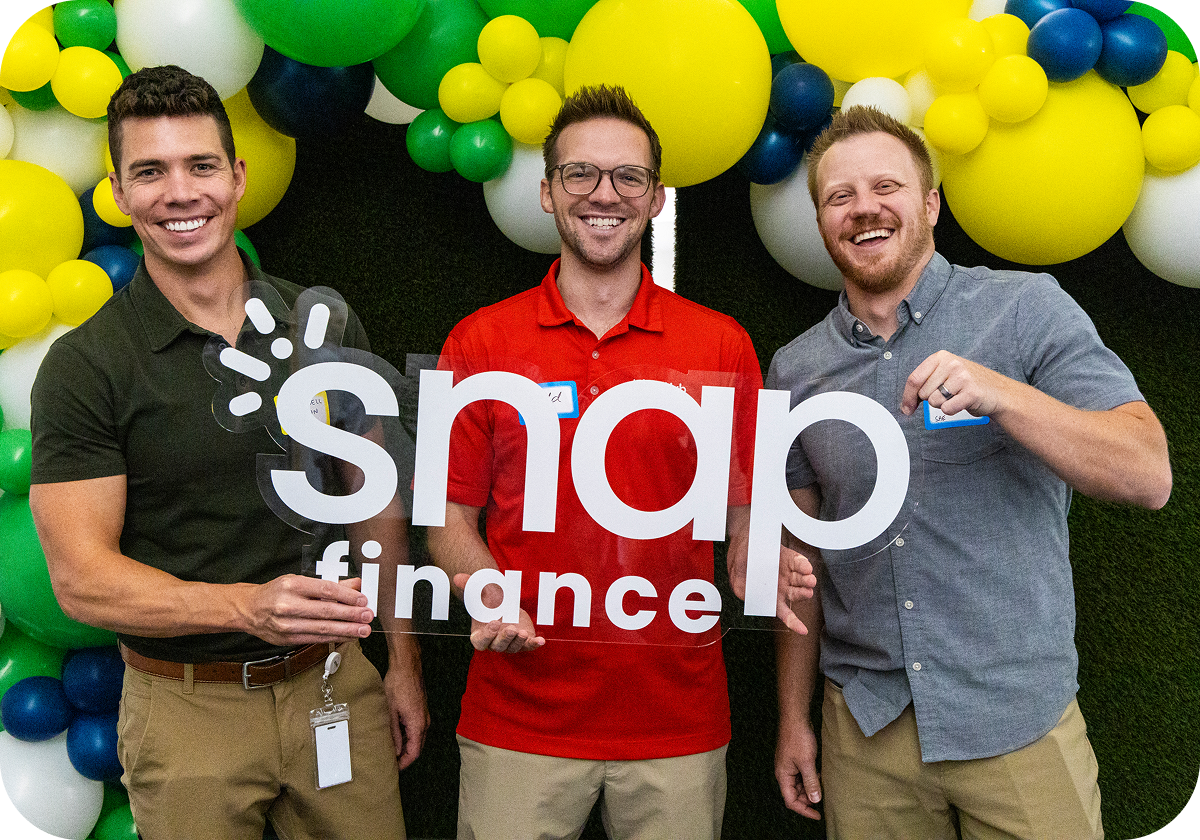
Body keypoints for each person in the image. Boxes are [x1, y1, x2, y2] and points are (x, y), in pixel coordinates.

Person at [28, 65, 427, 840]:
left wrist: (402, 663)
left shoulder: (321, 324)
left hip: (335, 687)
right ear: (118, 192)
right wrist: (247, 607)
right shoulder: (87, 366)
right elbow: (81, 582)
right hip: (188, 711)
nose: (181, 193)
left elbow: (373, 497)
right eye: (151, 172)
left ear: (237, 177)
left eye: (201, 165)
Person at [769, 105, 1173, 839]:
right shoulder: (795, 370)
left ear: (930, 204)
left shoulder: (1025, 309)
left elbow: (1148, 475)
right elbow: (799, 561)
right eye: (840, 196)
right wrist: (793, 718)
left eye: (886, 187)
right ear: (823, 221)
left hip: (1017, 722)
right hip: (865, 732)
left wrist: (1005, 395)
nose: (864, 208)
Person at [426, 84, 814, 840]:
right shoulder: (480, 342)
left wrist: (751, 552)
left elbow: (745, 504)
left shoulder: (720, 345)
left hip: (677, 721)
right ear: (547, 191)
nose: (604, 194)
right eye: (580, 173)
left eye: (628, 177)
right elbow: (447, 517)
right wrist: (485, 589)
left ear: (657, 198)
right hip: (519, 718)